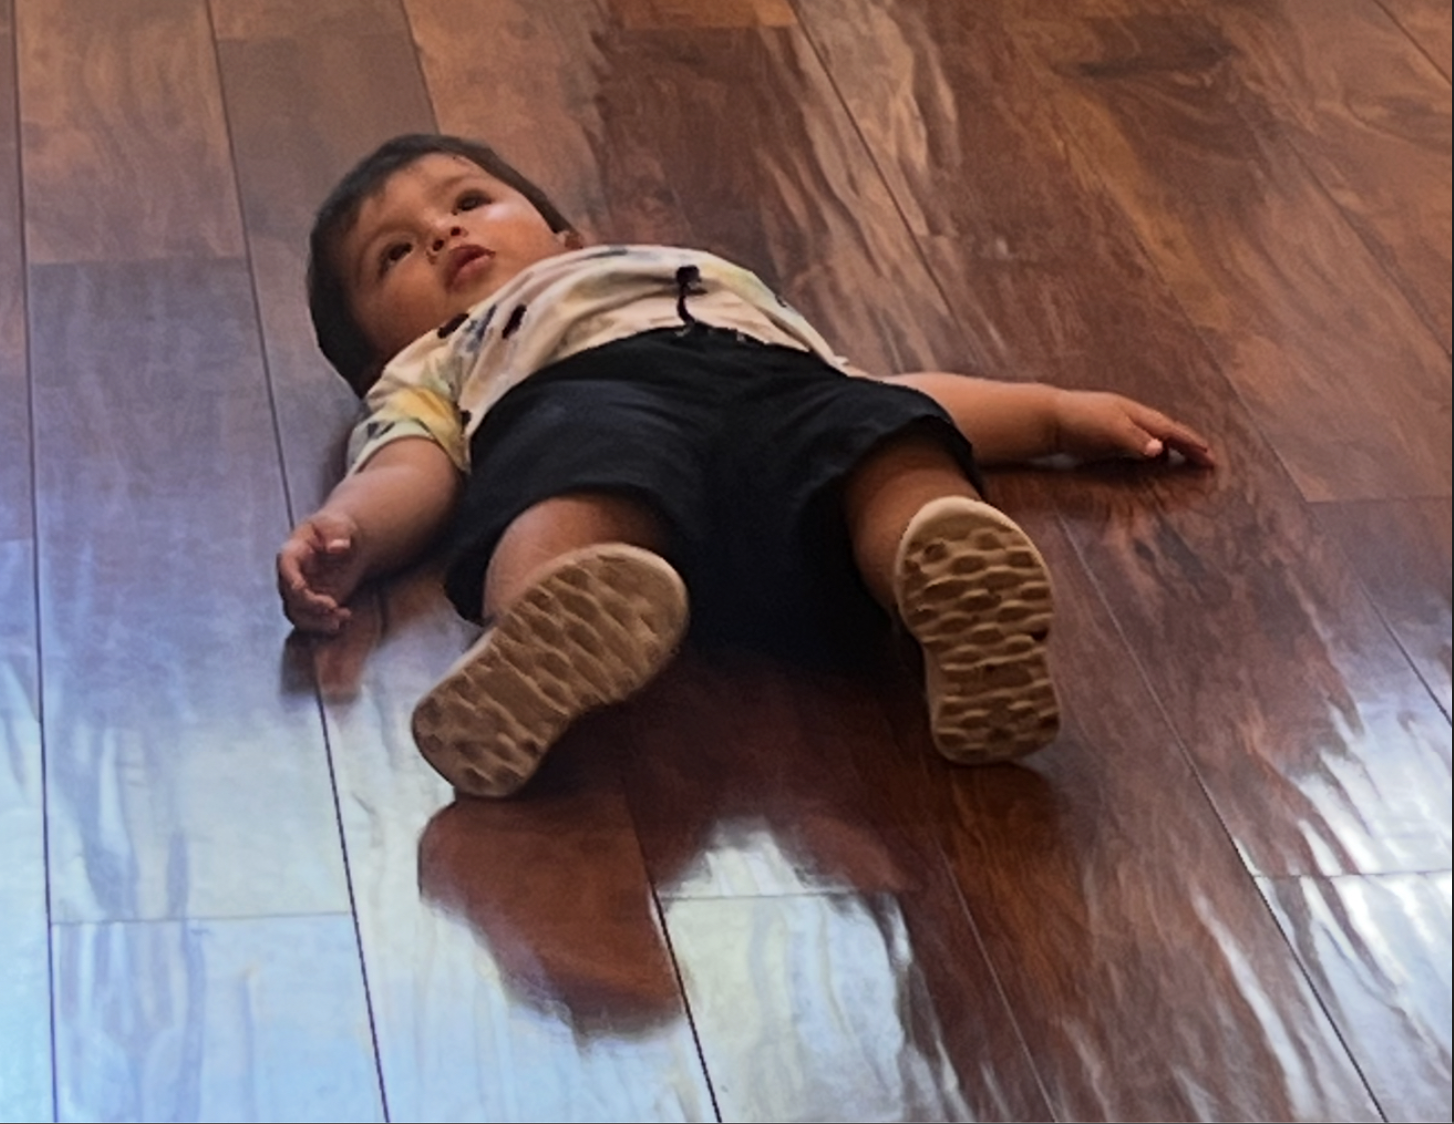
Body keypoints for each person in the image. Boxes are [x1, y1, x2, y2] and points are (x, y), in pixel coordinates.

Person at [277, 133, 1214, 800]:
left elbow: (880, 389)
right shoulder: (437, 358)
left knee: (880, 438)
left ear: (567, 237)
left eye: (468, 200)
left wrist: (1053, 413)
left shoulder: (702, 279)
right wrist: (350, 532)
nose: (443, 233)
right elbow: (412, 466)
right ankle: (550, 628)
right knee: (574, 475)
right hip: (586, 401)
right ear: (376, 356)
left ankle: (943, 582)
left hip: (771, 392)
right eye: (394, 253)